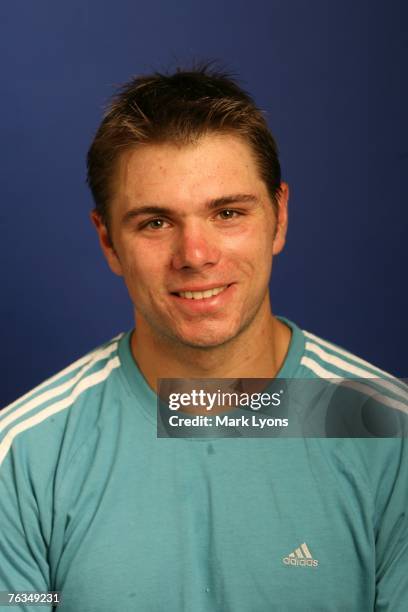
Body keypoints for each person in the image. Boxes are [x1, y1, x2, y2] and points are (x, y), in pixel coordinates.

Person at [0, 65, 407, 611]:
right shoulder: (24, 457)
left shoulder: (388, 434)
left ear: (279, 217)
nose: (195, 255)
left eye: (228, 212)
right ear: (107, 241)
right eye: (155, 223)